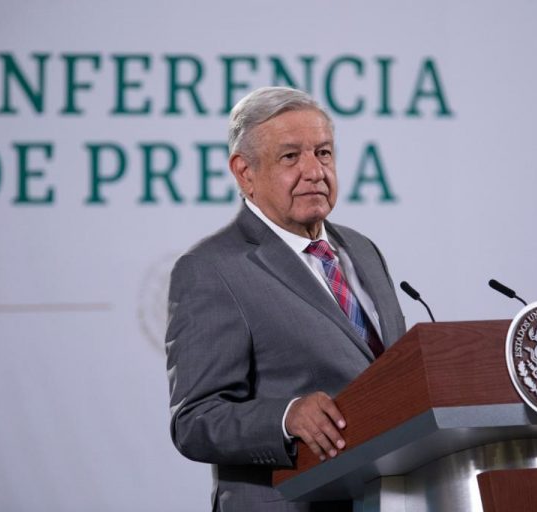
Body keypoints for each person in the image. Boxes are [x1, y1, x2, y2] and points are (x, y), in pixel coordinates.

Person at [165, 86, 406, 511]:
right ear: (245, 172)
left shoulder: (362, 249)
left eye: (324, 153)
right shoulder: (211, 268)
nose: (314, 171)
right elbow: (195, 421)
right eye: (291, 157)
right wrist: (285, 416)